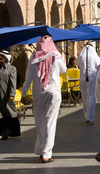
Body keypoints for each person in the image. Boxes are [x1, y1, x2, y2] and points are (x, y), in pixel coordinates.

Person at [21, 34, 66, 163]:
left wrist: (24, 93)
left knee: (40, 121)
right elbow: (63, 70)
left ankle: (41, 149)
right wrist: (57, 53)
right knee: (50, 122)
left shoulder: (33, 57)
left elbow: (28, 77)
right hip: (53, 92)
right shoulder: (56, 56)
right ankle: (46, 152)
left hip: (38, 93)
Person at [76, 42, 100, 125]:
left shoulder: (81, 56)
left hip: (83, 79)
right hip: (92, 78)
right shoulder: (94, 56)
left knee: (84, 98)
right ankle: (89, 117)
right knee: (91, 97)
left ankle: (86, 116)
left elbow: (78, 64)